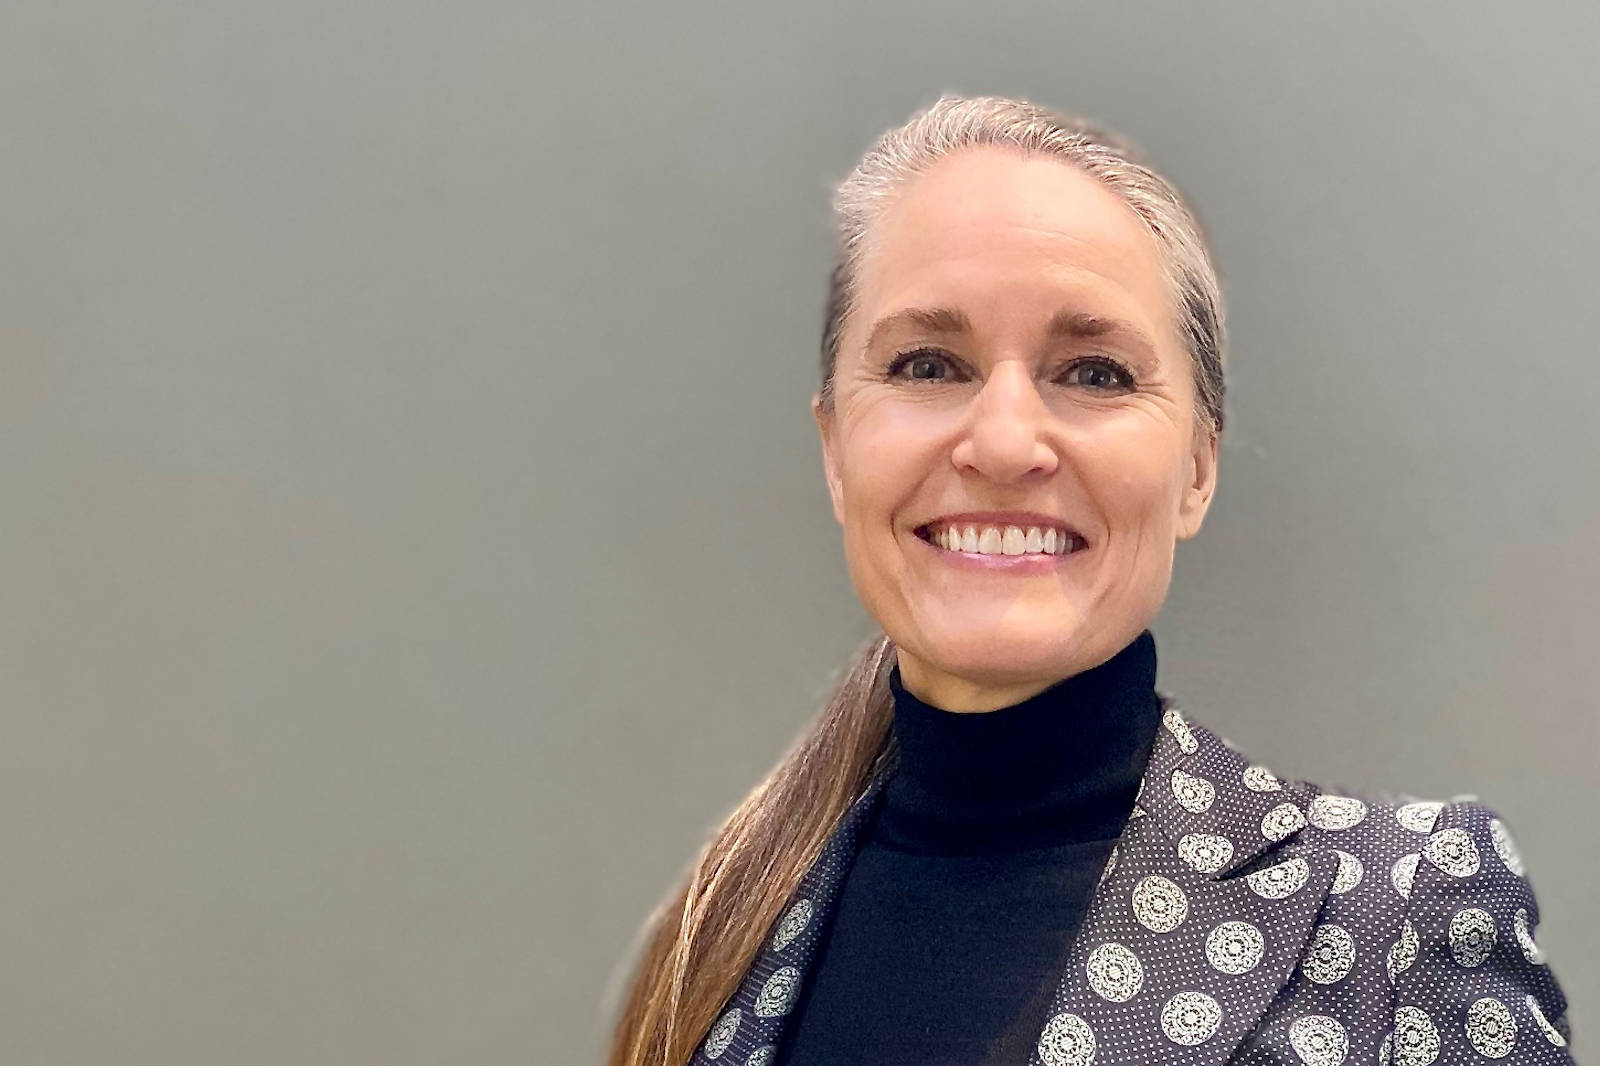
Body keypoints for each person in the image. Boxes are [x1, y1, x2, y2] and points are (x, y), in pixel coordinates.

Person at [604, 95, 1577, 1066]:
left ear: (1197, 466)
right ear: (833, 451)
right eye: (928, 363)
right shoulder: (713, 948)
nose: (1003, 441)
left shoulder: (1397, 914)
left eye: (1097, 373)